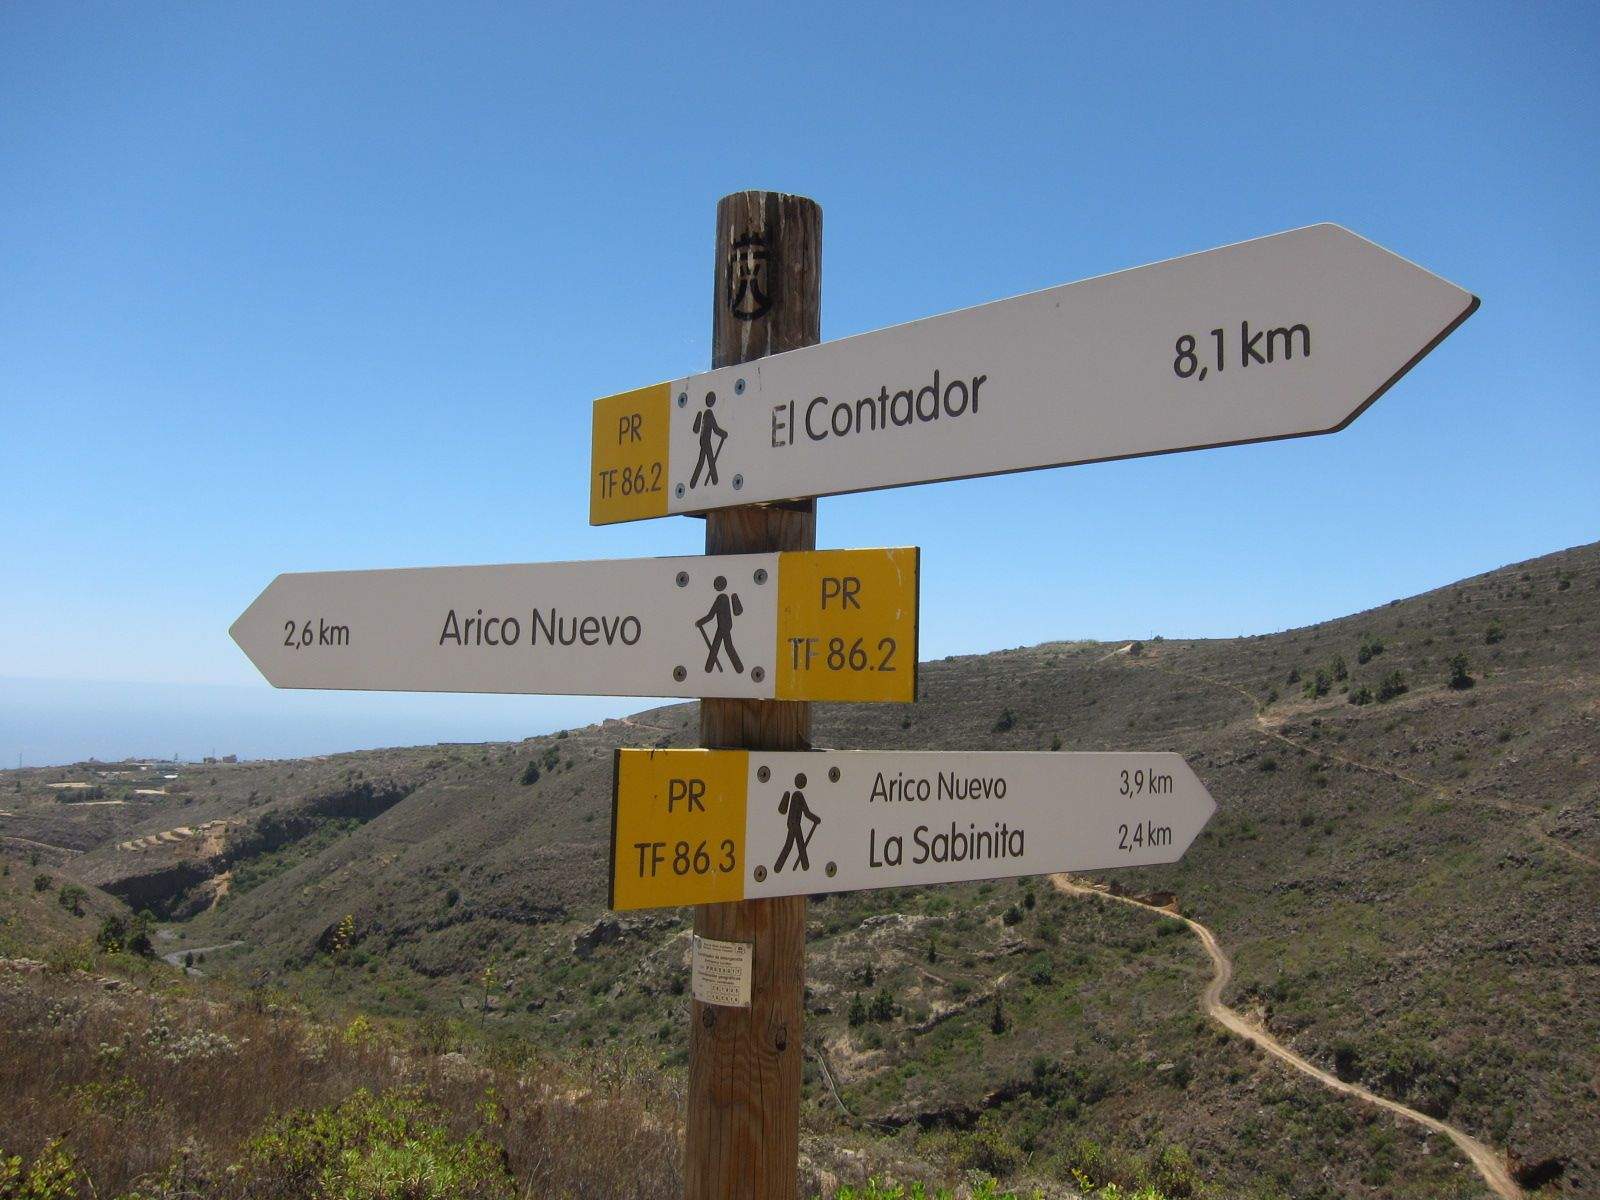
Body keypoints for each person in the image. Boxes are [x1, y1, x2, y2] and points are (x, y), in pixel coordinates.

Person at [694, 576, 743, 674]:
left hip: (723, 626)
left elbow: (710, 616)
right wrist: (700, 622)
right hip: (725, 625)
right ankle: (738, 668)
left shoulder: (721, 599)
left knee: (719, 646)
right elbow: (712, 616)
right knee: (725, 646)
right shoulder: (723, 597)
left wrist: (700, 622)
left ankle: (710, 668)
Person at [774, 772, 820, 873]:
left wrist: (815, 819)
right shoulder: (798, 796)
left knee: (796, 844)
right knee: (793, 844)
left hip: (793, 823)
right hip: (794, 824)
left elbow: (805, 813)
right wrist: (816, 819)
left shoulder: (797, 795)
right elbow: (807, 813)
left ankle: (782, 867)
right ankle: (780, 867)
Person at [690, 393, 728, 489]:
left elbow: (695, 429)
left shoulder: (701, 413)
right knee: (709, 459)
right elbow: (715, 429)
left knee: (702, 460)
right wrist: (723, 434)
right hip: (706, 440)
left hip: (703, 440)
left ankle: (693, 483)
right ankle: (714, 481)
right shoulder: (708, 413)